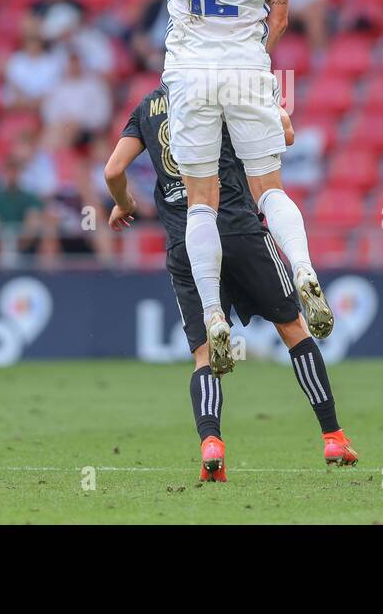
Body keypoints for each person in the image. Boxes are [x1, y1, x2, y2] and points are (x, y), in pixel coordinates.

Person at [105, 86, 356, 481]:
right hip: (239, 229)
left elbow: (113, 171)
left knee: (204, 355)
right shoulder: (221, 87)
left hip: (185, 240)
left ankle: (212, 447)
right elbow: (286, 134)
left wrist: (124, 203)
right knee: (293, 329)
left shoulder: (145, 107)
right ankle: (333, 437)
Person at [154, 0, 331, 377]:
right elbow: (278, 19)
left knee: (200, 201)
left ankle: (213, 316)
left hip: (188, 72)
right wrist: (252, 52)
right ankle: (303, 271)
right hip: (246, 68)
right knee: (268, 188)